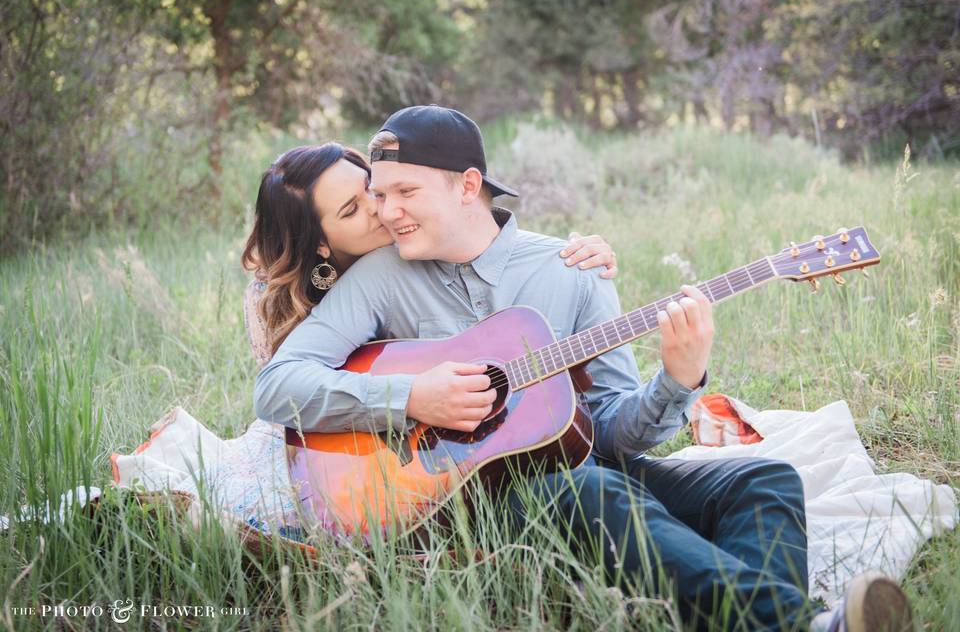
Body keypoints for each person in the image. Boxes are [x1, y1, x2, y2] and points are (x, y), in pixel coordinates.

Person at [253, 106, 915, 631]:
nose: (385, 212)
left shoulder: (572, 269)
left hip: (582, 466)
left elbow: (614, 438)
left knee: (763, 480)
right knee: (592, 491)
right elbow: (278, 385)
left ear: (468, 186)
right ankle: (801, 625)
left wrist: (677, 381)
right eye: (374, 198)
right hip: (468, 494)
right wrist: (412, 396)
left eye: (402, 192)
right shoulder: (376, 278)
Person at [112, 141, 620, 541]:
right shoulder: (285, 300)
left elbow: (481, 248)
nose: (383, 212)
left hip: (446, 444)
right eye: (353, 211)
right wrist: (412, 397)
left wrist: (571, 256)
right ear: (321, 242)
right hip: (335, 445)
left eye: (374, 191)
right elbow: (285, 393)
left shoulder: (417, 241)